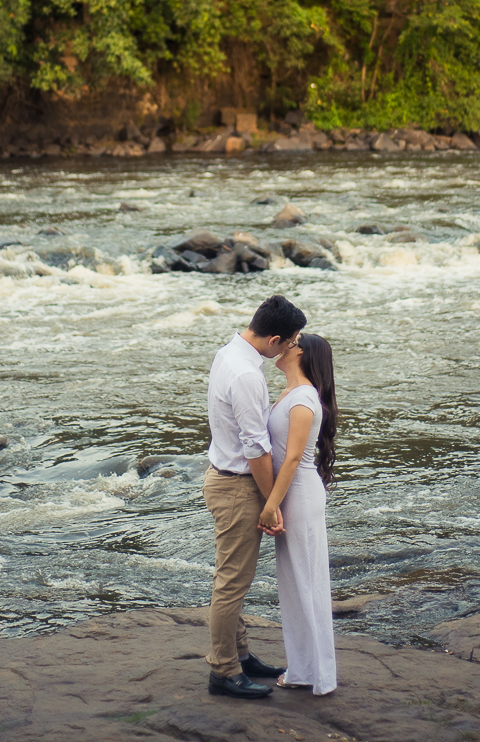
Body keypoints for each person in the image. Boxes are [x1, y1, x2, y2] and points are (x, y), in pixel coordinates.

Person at [204, 294, 307, 700]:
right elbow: (256, 447)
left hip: (223, 477)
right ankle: (223, 670)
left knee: (232, 578)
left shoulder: (228, 353)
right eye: (291, 342)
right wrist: (271, 503)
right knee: (232, 584)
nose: (291, 349)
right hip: (237, 487)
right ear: (275, 339)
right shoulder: (247, 375)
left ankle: (241, 656)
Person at [259, 332, 338, 695]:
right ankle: (304, 669)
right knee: (293, 586)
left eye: (291, 343)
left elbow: (292, 458)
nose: (282, 346)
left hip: (300, 496)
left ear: (302, 353)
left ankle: (320, 674)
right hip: (290, 494)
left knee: (308, 584)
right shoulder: (290, 394)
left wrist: (271, 504)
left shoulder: (304, 398)